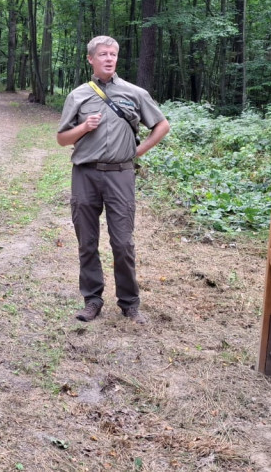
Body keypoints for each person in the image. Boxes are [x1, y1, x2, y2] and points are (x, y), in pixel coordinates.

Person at [56, 35, 170, 325]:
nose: (109, 58)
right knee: (87, 241)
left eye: (113, 54)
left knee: (122, 242)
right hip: (85, 173)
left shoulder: (134, 93)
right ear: (91, 59)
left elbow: (161, 125)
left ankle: (130, 303)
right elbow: (61, 139)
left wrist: (137, 151)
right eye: (103, 54)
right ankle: (92, 300)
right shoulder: (78, 95)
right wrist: (83, 127)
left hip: (121, 174)